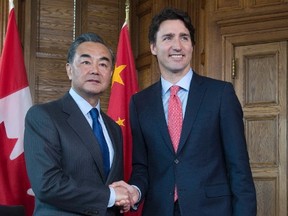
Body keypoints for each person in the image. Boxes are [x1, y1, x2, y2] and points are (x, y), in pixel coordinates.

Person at [111, 7, 257, 216]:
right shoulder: (139, 103)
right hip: (159, 210)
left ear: (192, 46)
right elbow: (142, 167)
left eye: (184, 38)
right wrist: (134, 190)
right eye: (168, 38)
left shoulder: (221, 94)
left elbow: (239, 168)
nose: (177, 46)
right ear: (153, 47)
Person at [24, 33, 130, 216]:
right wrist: (111, 196)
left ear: (111, 74)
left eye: (103, 64)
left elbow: (111, 184)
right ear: (69, 70)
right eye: (86, 62)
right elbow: (47, 184)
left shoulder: (113, 129)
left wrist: (122, 199)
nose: (95, 70)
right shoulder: (43, 116)